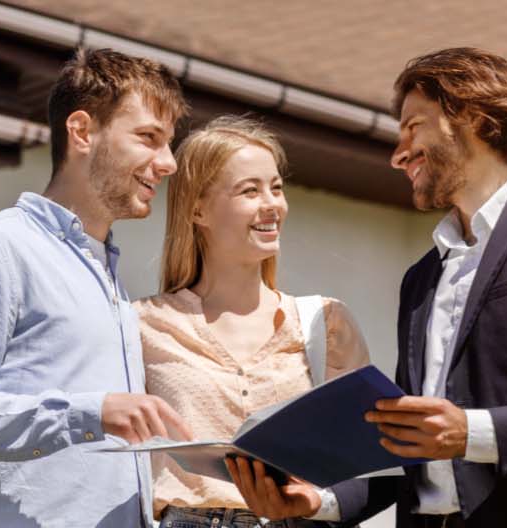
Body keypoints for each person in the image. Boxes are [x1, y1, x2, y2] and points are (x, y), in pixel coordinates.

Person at [233, 47, 507, 528]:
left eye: (414, 126)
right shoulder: (421, 278)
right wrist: (318, 501)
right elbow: (411, 450)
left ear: (472, 117)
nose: (398, 155)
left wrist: (471, 431)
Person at [0, 48, 195, 528]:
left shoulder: (106, 274)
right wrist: (91, 414)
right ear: (82, 131)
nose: (168, 162)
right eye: (149, 138)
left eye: (169, 143)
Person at [133, 116, 371, 528]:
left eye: (276, 188)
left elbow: (363, 466)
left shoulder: (325, 323)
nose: (272, 204)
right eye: (250, 190)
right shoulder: (142, 324)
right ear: (197, 209)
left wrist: (313, 500)